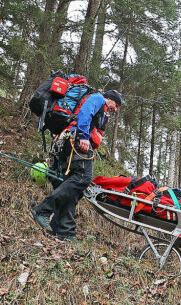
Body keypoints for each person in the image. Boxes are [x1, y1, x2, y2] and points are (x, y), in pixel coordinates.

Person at [30, 90, 123, 242]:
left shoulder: (102, 111)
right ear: (109, 99)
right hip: (77, 142)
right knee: (82, 179)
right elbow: (85, 113)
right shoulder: (98, 98)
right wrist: (84, 137)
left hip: (68, 143)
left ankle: (64, 231)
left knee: (72, 187)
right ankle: (42, 210)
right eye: (116, 104)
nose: (116, 109)